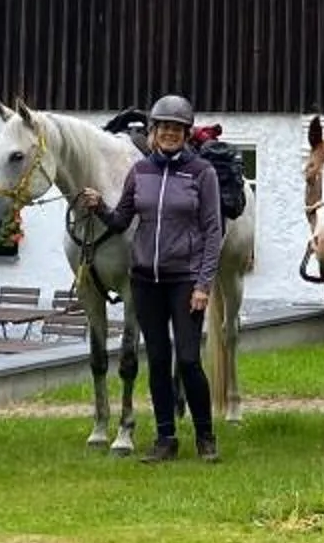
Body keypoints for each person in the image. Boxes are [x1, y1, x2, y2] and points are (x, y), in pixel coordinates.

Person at [79, 93, 226, 463]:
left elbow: (212, 232)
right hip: (146, 281)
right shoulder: (140, 172)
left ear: (187, 133)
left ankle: (206, 437)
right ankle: (165, 438)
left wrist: (203, 285)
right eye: (164, 128)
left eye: (178, 129)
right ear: (153, 132)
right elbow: (121, 221)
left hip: (185, 281)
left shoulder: (201, 174)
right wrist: (100, 207)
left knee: (189, 361)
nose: (170, 134)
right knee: (158, 360)